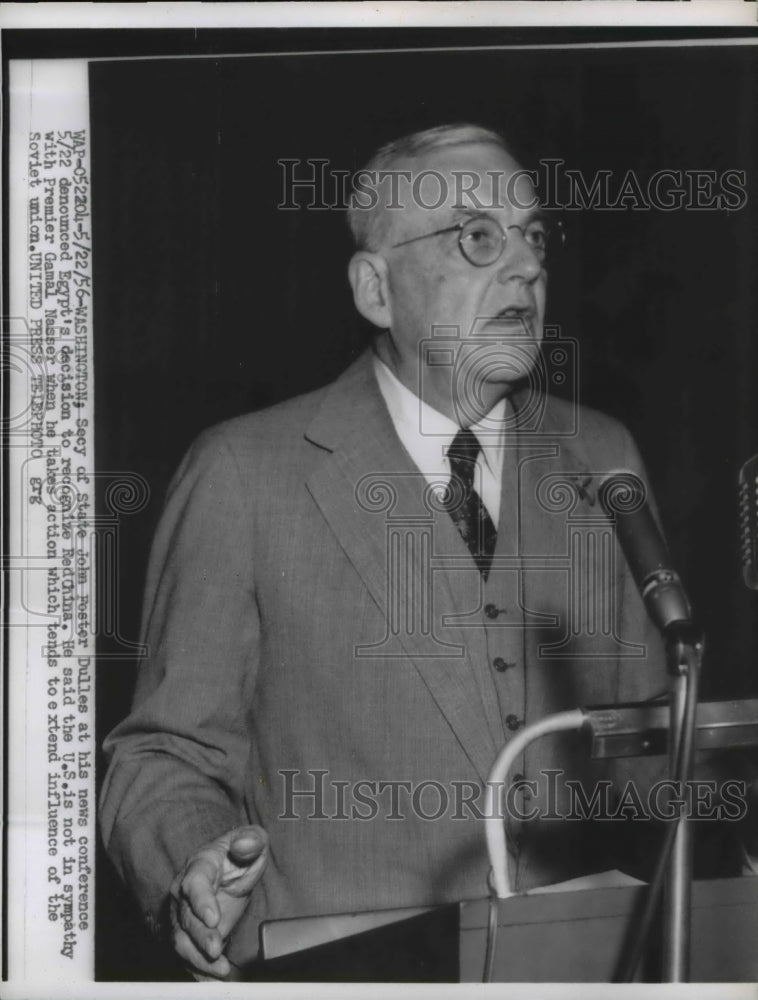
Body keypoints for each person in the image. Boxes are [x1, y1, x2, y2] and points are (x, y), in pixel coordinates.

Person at [99, 123, 677, 979]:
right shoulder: (244, 471)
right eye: (478, 237)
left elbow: (652, 742)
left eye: (535, 238)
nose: (525, 267)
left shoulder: (603, 456)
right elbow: (163, 754)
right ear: (377, 287)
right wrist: (190, 860)